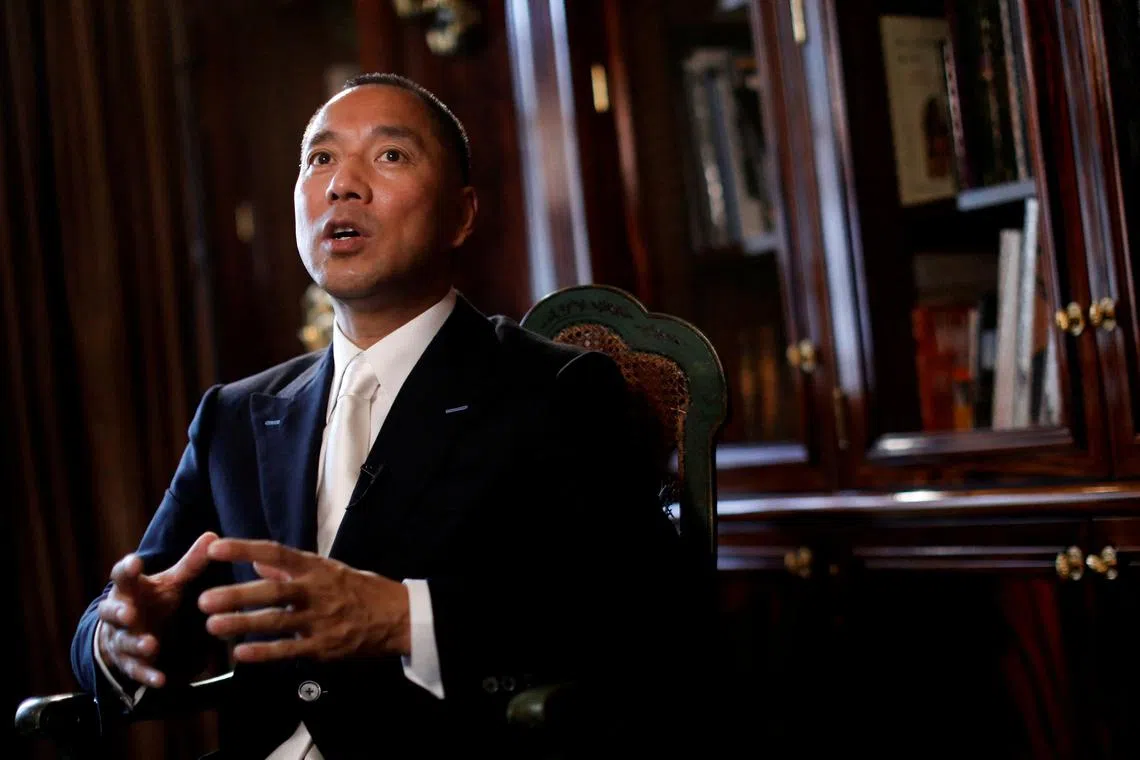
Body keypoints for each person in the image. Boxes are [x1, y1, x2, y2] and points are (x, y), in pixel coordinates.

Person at [70, 73, 689, 758]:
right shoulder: (236, 416)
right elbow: (135, 601)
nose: (343, 185)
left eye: (390, 155)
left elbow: (636, 611)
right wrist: (119, 635)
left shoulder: (551, 390)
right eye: (321, 158)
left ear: (462, 214)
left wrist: (403, 619)